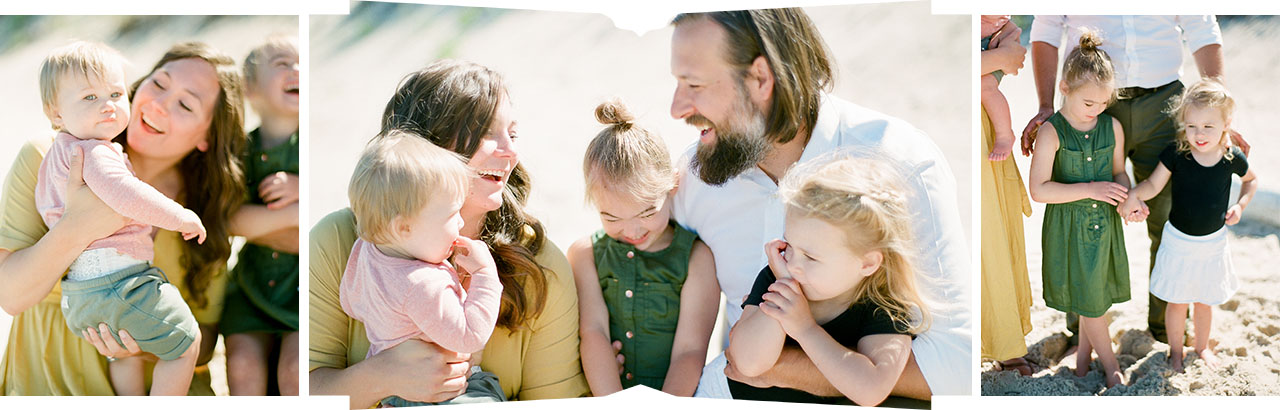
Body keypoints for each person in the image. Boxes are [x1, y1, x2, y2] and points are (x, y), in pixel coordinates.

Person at [666, 9, 971, 400]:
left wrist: (789, 369)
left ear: (761, 79)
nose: (677, 108)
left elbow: (958, 370)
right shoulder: (696, 179)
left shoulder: (901, 164)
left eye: (693, 84)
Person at [1, 41, 295, 395]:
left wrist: (139, 345)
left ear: (206, 136)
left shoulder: (203, 208)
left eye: (185, 104)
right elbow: (10, 296)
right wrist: (78, 226)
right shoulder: (49, 156)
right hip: (52, 373)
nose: (158, 105)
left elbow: (203, 343)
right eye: (158, 84)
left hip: (158, 381)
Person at [309, 60, 590, 407]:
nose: (511, 151)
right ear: (423, 148)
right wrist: (380, 376)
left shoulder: (540, 264)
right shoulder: (337, 241)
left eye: (512, 134)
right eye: (486, 132)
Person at [1023, 15, 1242, 345]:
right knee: (1086, 213)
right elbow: (1047, 29)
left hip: (1166, 103)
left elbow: (1202, 29)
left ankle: (1165, 330)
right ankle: (1084, 334)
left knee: (1170, 220)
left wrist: (1219, 113)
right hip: (1094, 101)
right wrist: (1044, 105)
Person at [34, 40, 208, 396]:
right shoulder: (94, 151)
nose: (108, 106)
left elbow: (46, 207)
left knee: (125, 355)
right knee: (187, 343)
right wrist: (180, 216)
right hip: (116, 279)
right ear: (56, 114)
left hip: (83, 291)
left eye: (115, 93)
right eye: (89, 98)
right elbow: (127, 194)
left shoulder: (59, 155)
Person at [725, 155, 931, 406]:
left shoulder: (884, 305)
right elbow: (748, 362)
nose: (794, 264)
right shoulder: (778, 276)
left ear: (867, 264)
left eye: (810, 257)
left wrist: (805, 329)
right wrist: (783, 296)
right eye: (789, 244)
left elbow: (871, 390)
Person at [341, 131, 505, 406]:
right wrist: (485, 276)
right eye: (452, 214)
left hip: (395, 395)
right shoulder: (422, 284)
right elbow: (470, 338)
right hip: (445, 394)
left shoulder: (365, 251)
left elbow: (351, 302)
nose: (460, 224)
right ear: (403, 228)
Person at [569, 100, 718, 396]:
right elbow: (593, 332)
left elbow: (690, 351)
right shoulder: (585, 254)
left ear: (672, 185)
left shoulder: (696, 259)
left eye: (647, 213)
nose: (633, 231)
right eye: (611, 217)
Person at [1118, 79, 1258, 373]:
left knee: (1204, 301)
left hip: (1212, 244)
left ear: (1226, 124)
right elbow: (1154, 185)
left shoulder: (1232, 158)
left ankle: (1202, 347)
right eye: (1192, 126)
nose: (1199, 134)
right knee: (1177, 301)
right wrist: (1133, 195)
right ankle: (1176, 351)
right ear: (1183, 123)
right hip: (1179, 241)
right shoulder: (1176, 154)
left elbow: (1251, 181)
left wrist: (1240, 206)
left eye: (1208, 126)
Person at [1026, 31, 1130, 389]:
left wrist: (1127, 199)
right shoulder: (1051, 133)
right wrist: (1090, 189)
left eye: (1103, 103)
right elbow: (1038, 190)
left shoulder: (1112, 127)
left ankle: (1083, 363)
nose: (1096, 110)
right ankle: (1112, 365)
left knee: (1094, 295)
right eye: (1089, 103)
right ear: (1065, 88)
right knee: (1092, 300)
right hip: (1069, 226)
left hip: (1105, 224)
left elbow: (1119, 173)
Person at [221, 34, 302, 396]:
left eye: (303, 64)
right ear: (250, 90)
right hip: (251, 286)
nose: (297, 69)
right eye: (283, 63)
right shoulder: (239, 149)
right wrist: (296, 213)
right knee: (241, 365)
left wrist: (304, 191)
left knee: (296, 370)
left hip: (304, 289)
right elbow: (230, 219)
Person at [979, 16, 1034, 376]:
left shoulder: (1003, 24)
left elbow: (1015, 56)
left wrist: (1002, 57)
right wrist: (998, 60)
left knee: (993, 235)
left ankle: (1003, 340)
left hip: (985, 124)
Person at [980, 15, 1017, 161]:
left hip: (992, 50)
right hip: (983, 55)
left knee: (984, 86)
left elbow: (1013, 30)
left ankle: (1005, 134)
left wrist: (1006, 47)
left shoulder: (999, 18)